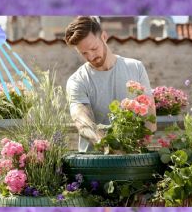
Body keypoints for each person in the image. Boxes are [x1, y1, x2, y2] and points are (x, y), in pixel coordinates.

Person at [64, 16, 156, 152]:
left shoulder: (136, 68)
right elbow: (83, 122)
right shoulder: (77, 81)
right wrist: (109, 149)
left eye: (94, 48)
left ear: (104, 36)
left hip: (132, 160)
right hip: (94, 164)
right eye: (84, 53)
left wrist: (136, 150)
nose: (91, 57)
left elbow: (150, 118)